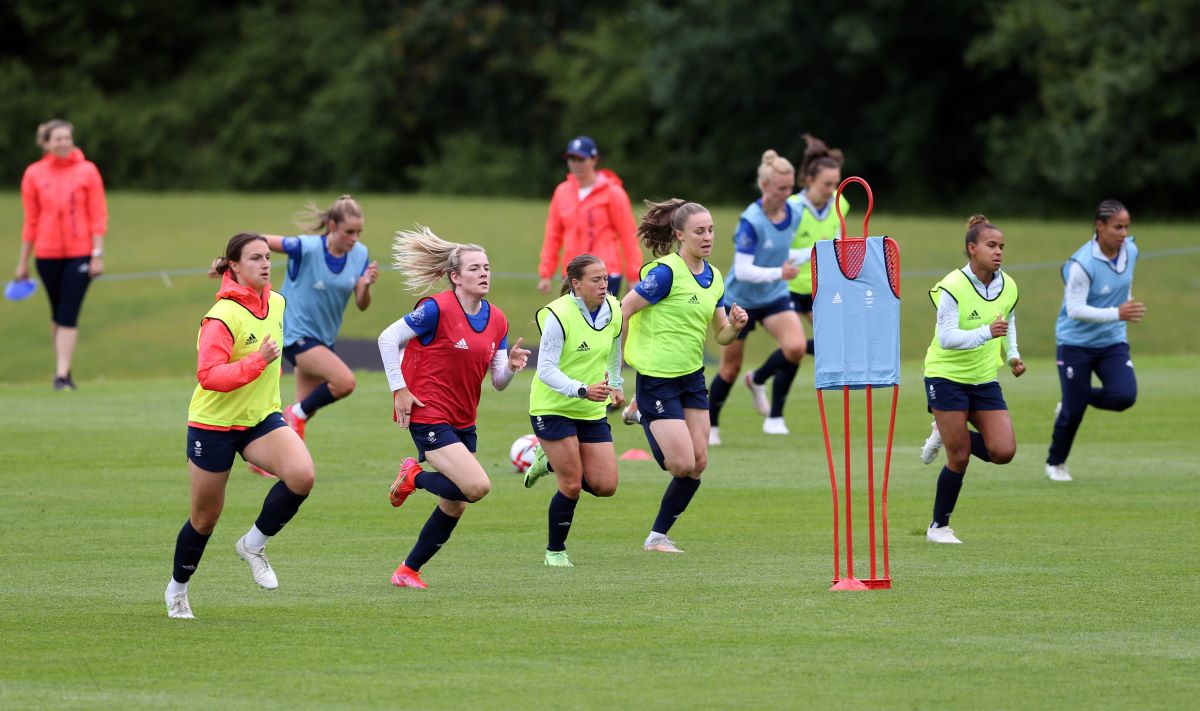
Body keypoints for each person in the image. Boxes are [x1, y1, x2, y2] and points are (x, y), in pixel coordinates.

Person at [166, 233, 315, 619]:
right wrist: (259, 362)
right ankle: (178, 590)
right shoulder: (222, 316)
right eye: (255, 258)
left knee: (302, 475)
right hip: (213, 424)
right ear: (234, 266)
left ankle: (253, 545)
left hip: (261, 419)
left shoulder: (278, 302)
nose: (266, 263)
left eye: (267, 257)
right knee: (205, 518)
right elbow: (209, 376)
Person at [378, 227, 531, 588]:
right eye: (475, 268)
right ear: (455, 277)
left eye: (487, 268)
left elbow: (497, 381)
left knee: (455, 502)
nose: (484, 274)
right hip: (429, 413)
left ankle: (407, 571)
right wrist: (398, 388)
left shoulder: (498, 319)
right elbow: (388, 338)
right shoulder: (436, 309)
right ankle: (412, 476)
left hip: (464, 419)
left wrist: (510, 366)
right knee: (476, 487)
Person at [620, 199, 748, 553]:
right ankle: (643, 411)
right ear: (679, 235)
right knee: (680, 463)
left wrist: (735, 327)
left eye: (711, 230)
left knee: (698, 463)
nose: (707, 237)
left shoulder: (715, 276)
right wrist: (618, 365)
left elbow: (721, 334)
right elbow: (623, 311)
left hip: (692, 378)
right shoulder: (664, 274)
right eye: (699, 231)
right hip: (657, 379)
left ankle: (656, 537)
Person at [919, 215, 1026, 544]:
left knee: (1003, 451)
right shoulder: (952, 285)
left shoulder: (1008, 285)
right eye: (991, 245)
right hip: (945, 375)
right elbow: (947, 338)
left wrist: (1012, 356)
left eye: (1002, 247)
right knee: (960, 456)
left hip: (983, 379)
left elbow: (1008, 320)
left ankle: (947, 430)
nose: (998, 252)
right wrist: (985, 333)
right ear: (972, 248)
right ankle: (939, 527)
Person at [521, 254, 624, 567]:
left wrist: (616, 384)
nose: (603, 284)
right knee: (573, 484)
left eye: (605, 278)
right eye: (596, 279)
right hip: (552, 406)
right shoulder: (558, 313)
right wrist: (582, 389)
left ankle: (548, 460)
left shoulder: (615, 309)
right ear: (576, 284)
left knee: (606, 486)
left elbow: (614, 348)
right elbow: (546, 369)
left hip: (590, 408)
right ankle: (555, 551)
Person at [258, 196, 378, 442]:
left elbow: (362, 304)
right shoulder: (306, 247)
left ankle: (266, 456)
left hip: (323, 339)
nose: (355, 238)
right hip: (294, 334)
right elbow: (258, 241)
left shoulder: (360, 254)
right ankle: (294, 413)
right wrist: (228, 260)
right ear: (332, 226)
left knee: (302, 415)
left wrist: (365, 285)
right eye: (349, 232)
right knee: (344, 382)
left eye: (359, 232)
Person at [707, 150, 807, 441]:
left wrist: (817, 251)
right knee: (729, 369)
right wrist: (780, 272)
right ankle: (711, 426)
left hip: (774, 295)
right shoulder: (750, 220)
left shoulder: (795, 212)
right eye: (781, 188)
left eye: (791, 187)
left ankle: (758, 379)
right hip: (740, 299)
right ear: (765, 186)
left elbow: (781, 250)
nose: (788, 194)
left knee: (796, 347)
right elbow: (744, 269)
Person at [1044, 200, 1144, 482]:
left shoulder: (1131, 251)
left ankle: (1071, 399)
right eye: (1117, 227)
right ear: (1100, 226)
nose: (1123, 233)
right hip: (1074, 343)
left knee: (1125, 396)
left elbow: (1125, 283)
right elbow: (1075, 310)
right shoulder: (1082, 264)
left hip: (1112, 341)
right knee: (1073, 412)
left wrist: (1125, 304)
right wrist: (1117, 312)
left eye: (1126, 227)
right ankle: (1056, 463)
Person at [14, 119, 107, 390]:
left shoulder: (87, 171)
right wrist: (23, 262)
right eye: (58, 139)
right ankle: (62, 369)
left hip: (80, 253)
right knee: (57, 313)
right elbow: (30, 220)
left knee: (68, 310)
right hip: (46, 254)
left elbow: (97, 215)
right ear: (45, 143)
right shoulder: (34, 174)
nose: (64, 143)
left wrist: (97, 253)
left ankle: (62, 374)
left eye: (67, 138)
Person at [538, 135, 643, 297]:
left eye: (581, 159)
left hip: (605, 273)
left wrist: (634, 275)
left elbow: (628, 235)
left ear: (594, 160)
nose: (575, 164)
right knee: (572, 322)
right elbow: (553, 235)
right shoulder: (562, 192)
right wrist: (546, 272)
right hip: (573, 274)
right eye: (572, 158)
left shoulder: (613, 193)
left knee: (602, 322)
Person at [787, 134, 849, 357]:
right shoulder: (791, 208)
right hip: (789, 287)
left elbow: (839, 243)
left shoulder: (840, 203)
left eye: (836, 184)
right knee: (793, 350)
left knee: (833, 339)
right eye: (827, 184)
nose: (832, 189)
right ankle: (759, 379)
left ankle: (755, 378)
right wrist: (815, 250)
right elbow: (779, 255)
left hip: (819, 286)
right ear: (810, 180)